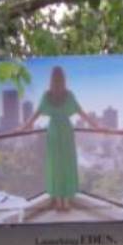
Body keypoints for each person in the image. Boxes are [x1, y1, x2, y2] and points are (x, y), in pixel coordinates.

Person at [19, 66, 103, 212]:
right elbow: (82, 113)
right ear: (64, 79)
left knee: (55, 166)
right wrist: (96, 126)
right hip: (66, 131)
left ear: (51, 79)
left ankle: (58, 202)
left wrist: (24, 127)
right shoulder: (68, 95)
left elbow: (36, 114)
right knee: (67, 165)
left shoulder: (47, 95)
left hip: (53, 132)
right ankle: (66, 202)